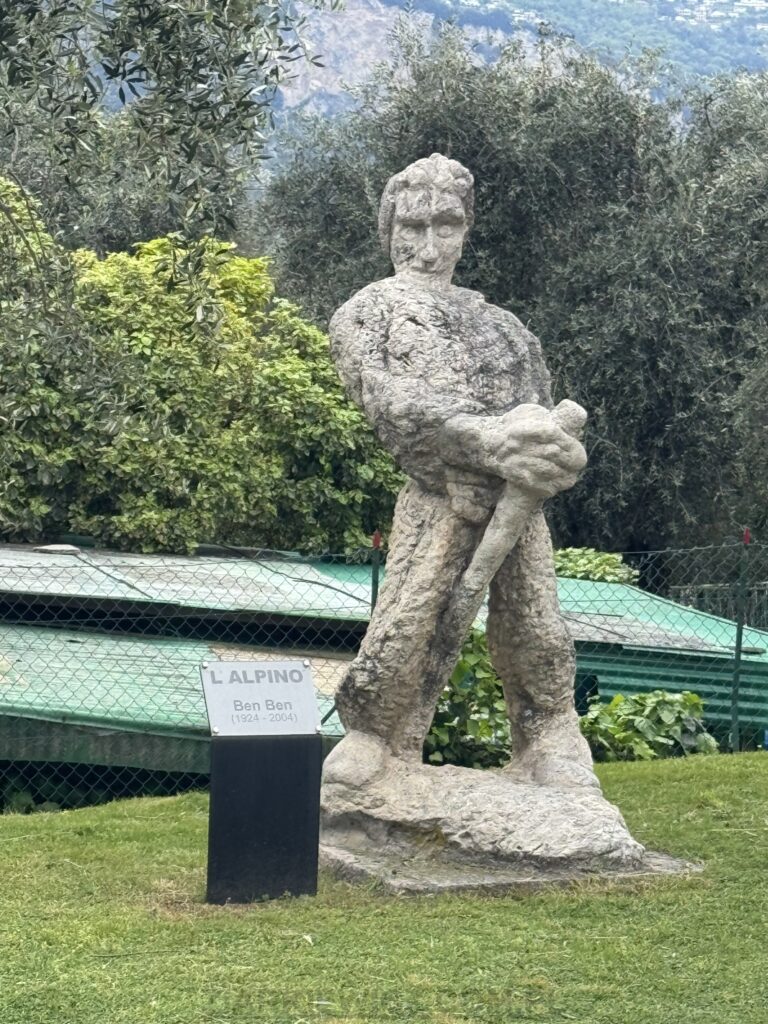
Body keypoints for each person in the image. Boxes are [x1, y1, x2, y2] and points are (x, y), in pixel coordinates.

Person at [327, 153, 597, 789]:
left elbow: (541, 415)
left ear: (466, 229)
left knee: (536, 622)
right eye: (412, 227)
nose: (428, 248)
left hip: (514, 506)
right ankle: (377, 735)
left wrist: (551, 454)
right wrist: (481, 441)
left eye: (445, 226)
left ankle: (549, 732)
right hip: (438, 496)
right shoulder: (368, 312)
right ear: (389, 228)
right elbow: (388, 400)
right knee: (409, 619)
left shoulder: (506, 330)